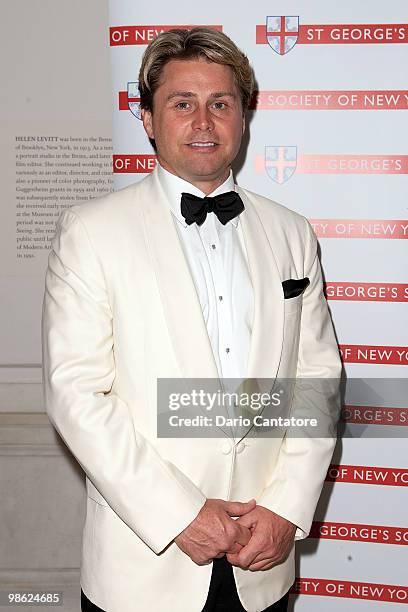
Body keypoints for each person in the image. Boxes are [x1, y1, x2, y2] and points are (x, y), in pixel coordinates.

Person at [42, 28, 341, 612]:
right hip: (145, 566)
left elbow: (316, 382)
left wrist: (286, 508)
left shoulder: (291, 232)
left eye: (220, 103)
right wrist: (178, 513)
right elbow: (77, 395)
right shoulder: (91, 232)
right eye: (183, 103)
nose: (204, 122)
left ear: (242, 117)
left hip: (263, 559)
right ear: (148, 119)